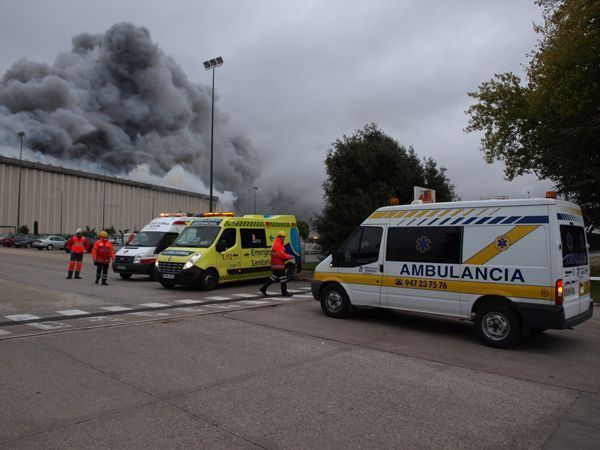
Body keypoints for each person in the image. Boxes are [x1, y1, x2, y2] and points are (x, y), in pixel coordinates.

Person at [260, 230, 294, 297]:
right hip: (279, 265)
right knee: (283, 278)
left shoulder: (277, 243)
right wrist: (290, 256)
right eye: (284, 237)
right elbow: (281, 255)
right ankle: (284, 293)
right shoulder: (278, 244)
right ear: (280, 237)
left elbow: (280, 254)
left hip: (276, 264)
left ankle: (263, 288)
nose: (284, 238)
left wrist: (286, 256)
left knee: (273, 277)